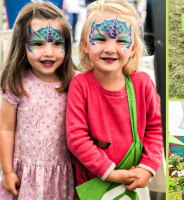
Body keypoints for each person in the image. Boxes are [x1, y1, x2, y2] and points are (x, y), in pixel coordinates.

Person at [66, 0, 163, 198]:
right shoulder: (80, 86)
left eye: (121, 41)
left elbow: (156, 129)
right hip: (95, 184)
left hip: (134, 183)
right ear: (85, 44)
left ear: (133, 47)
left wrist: (147, 167)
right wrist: (109, 172)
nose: (110, 48)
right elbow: (76, 137)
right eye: (100, 39)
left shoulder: (143, 84)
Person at [0, 2, 78, 199]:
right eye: (38, 44)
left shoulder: (76, 82)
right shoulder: (17, 83)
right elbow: (5, 129)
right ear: (22, 44)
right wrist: (8, 171)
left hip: (66, 175)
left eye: (57, 43)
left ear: (67, 44)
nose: (49, 53)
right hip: (26, 178)